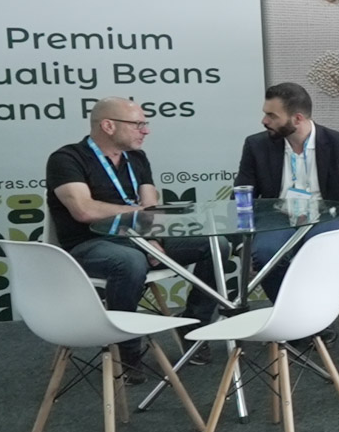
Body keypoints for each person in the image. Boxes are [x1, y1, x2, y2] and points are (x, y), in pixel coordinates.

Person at [45, 97, 218, 377]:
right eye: (138, 124)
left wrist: (151, 238)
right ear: (108, 125)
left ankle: (193, 325)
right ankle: (127, 351)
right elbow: (84, 210)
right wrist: (139, 219)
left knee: (215, 244)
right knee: (130, 261)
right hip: (89, 245)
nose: (146, 130)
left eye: (145, 124)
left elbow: (151, 210)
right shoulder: (67, 159)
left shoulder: (136, 158)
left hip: (138, 240)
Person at [234, 82, 339, 299]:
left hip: (328, 217)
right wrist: (242, 244)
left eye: (272, 116)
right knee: (264, 254)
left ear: (297, 118)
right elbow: (242, 196)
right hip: (278, 219)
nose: (264, 121)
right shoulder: (256, 145)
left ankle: (317, 314)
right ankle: (289, 312)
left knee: (322, 252)